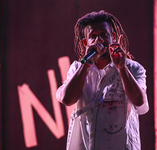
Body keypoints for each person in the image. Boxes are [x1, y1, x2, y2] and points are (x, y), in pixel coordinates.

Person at [56, 10, 149, 150]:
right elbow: (67, 99)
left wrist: (122, 68)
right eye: (93, 36)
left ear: (113, 37)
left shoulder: (133, 68)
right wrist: (86, 64)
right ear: (85, 42)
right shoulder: (78, 68)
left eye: (103, 34)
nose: (99, 40)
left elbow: (139, 101)